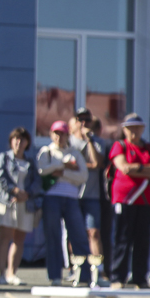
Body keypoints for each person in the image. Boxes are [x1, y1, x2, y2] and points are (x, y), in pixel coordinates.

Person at [108, 113, 150, 289]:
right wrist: (147, 173)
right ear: (124, 129)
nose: (134, 132)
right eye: (130, 128)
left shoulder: (149, 148)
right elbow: (124, 168)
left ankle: (140, 278)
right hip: (125, 199)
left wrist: (138, 169)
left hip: (145, 199)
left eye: (137, 127)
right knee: (122, 238)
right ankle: (118, 277)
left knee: (143, 239)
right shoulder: (120, 146)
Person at [37, 120, 89, 286]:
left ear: (68, 135)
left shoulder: (75, 153)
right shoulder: (46, 151)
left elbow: (83, 176)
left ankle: (85, 275)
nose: (59, 137)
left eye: (62, 133)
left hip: (72, 199)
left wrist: (61, 172)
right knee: (53, 237)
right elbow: (42, 170)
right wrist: (64, 166)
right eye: (56, 133)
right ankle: (55, 276)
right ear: (51, 135)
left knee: (79, 236)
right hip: (51, 198)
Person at [0, 126, 41, 286]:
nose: (19, 142)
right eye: (16, 139)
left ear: (27, 142)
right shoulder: (3, 157)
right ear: (11, 141)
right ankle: (1, 274)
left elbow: (36, 182)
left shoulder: (30, 161)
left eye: (22, 139)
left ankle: (12, 274)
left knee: (19, 239)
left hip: (25, 204)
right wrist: (14, 191)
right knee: (5, 237)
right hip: (7, 202)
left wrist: (26, 194)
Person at [69, 108, 111, 285]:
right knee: (74, 234)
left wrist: (90, 141)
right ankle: (76, 269)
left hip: (92, 195)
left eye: (87, 119)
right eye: (80, 120)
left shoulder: (98, 142)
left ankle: (97, 270)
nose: (83, 123)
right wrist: (88, 165)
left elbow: (99, 163)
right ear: (76, 121)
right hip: (72, 195)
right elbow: (70, 165)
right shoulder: (69, 142)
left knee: (94, 233)